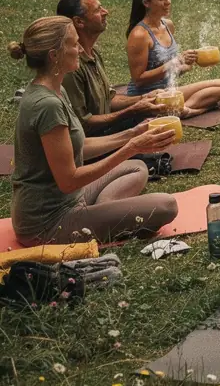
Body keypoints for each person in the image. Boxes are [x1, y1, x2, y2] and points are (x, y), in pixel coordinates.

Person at [7, 17, 178, 245]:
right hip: (46, 223)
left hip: (71, 200)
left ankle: (102, 215)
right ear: (54, 55)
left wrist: (132, 134)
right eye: (73, 44)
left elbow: (79, 146)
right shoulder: (47, 105)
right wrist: (132, 147)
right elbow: (69, 180)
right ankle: (102, 217)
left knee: (136, 167)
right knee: (167, 205)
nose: (79, 49)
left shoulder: (55, 91)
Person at [56, 0, 166, 135]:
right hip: (92, 144)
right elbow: (83, 125)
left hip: (107, 130)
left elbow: (109, 101)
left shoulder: (93, 53)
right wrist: (132, 110)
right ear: (79, 22)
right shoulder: (71, 67)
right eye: (97, 10)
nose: (105, 11)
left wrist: (144, 98)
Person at [125, 0, 220, 116]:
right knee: (216, 89)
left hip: (170, 91)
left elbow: (168, 70)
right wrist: (175, 62)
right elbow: (139, 80)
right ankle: (180, 110)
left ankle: (179, 110)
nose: (168, 1)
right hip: (148, 96)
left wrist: (185, 65)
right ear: (146, 3)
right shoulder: (139, 35)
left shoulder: (168, 25)